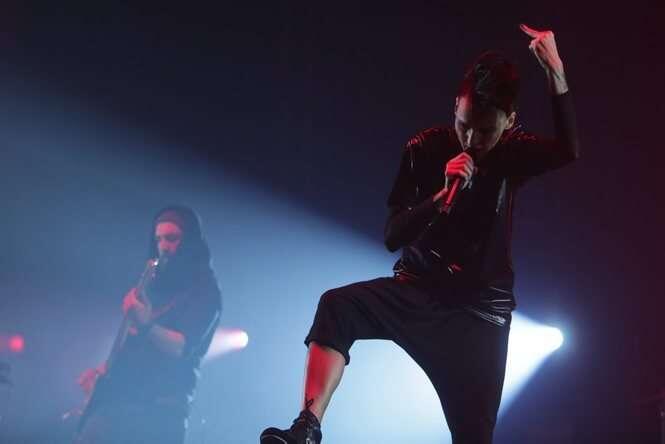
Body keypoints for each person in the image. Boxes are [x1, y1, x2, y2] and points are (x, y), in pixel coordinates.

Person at [260, 24, 579, 444]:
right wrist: (439, 199)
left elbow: (567, 150)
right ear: (455, 108)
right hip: (416, 290)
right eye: (464, 125)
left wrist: (556, 71)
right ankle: (307, 426)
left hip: (479, 316)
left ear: (510, 122)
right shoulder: (425, 148)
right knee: (337, 306)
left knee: (474, 436)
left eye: (486, 131)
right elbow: (393, 236)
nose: (471, 139)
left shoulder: (513, 153)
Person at [75, 205, 221, 444]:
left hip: (158, 414)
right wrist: (103, 373)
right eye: (159, 239)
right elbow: (133, 347)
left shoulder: (205, 292)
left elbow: (181, 347)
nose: (163, 246)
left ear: (190, 241)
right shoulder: (155, 286)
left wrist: (146, 326)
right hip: (117, 405)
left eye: (172, 238)